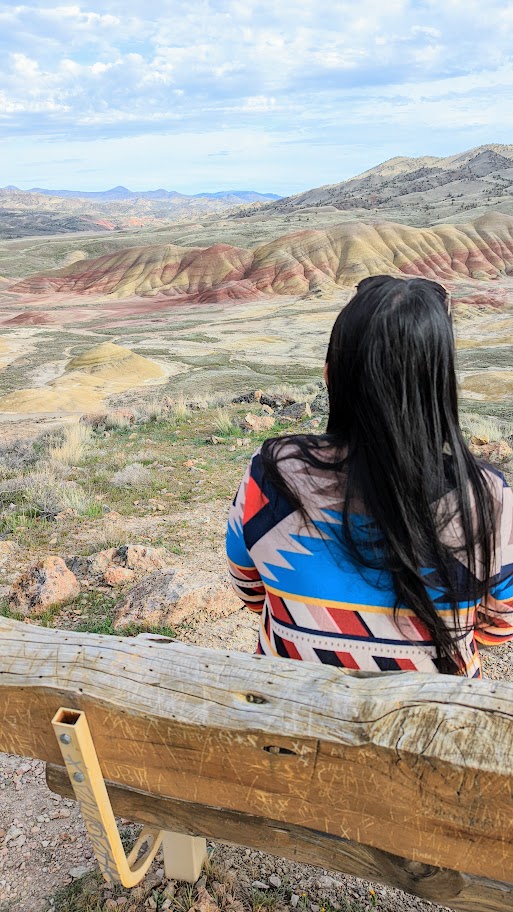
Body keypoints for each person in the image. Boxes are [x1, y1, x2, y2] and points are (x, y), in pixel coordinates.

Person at [226, 275, 513, 677]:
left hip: (290, 717)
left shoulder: (272, 474)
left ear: (330, 375)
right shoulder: (487, 498)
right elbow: (498, 626)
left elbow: (251, 590)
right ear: (441, 387)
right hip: (437, 726)